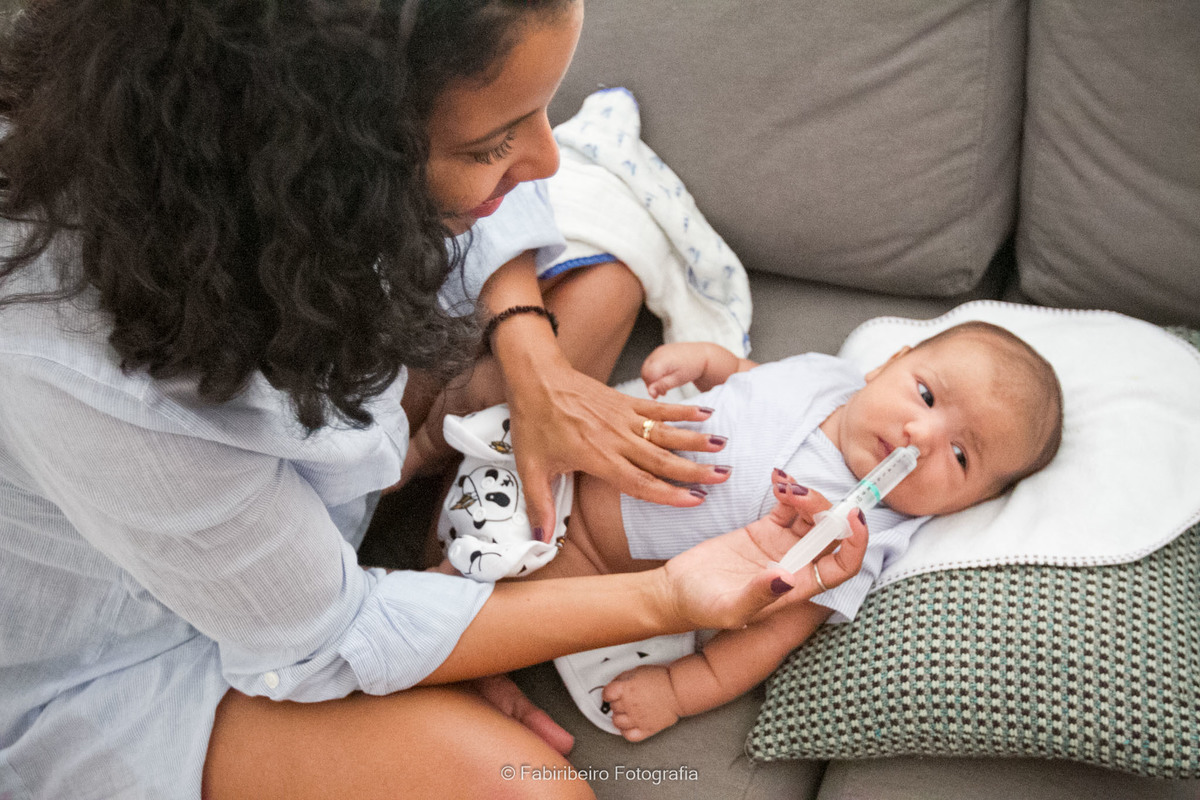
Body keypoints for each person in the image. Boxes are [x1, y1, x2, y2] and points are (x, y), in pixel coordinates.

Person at [0, 2, 866, 799]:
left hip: (302, 442)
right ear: (327, 161)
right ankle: (444, 579)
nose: (548, 160)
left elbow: (496, 216)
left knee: (599, 285)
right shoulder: (78, 372)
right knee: (534, 789)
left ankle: (446, 537)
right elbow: (325, 637)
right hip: (140, 652)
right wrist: (670, 597)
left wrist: (532, 360)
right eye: (493, 144)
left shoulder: (270, 193)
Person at [436, 321, 1064, 741]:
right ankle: (415, 460)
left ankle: (442, 653)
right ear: (889, 365)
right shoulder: (830, 377)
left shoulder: (853, 534)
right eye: (925, 394)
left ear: (969, 505)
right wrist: (711, 363)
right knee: (482, 396)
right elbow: (756, 380)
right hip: (584, 457)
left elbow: (772, 636)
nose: (920, 438)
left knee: (474, 606)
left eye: (960, 457)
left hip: (598, 561)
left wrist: (680, 691)